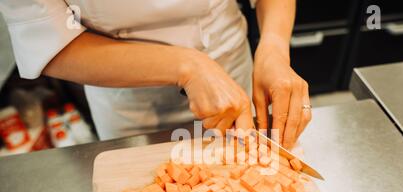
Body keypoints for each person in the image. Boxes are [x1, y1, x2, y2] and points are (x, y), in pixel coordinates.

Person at [0, 0, 311, 149]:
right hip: (127, 97)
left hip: (230, 64)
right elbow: (47, 41)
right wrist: (188, 67)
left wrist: (273, 46)